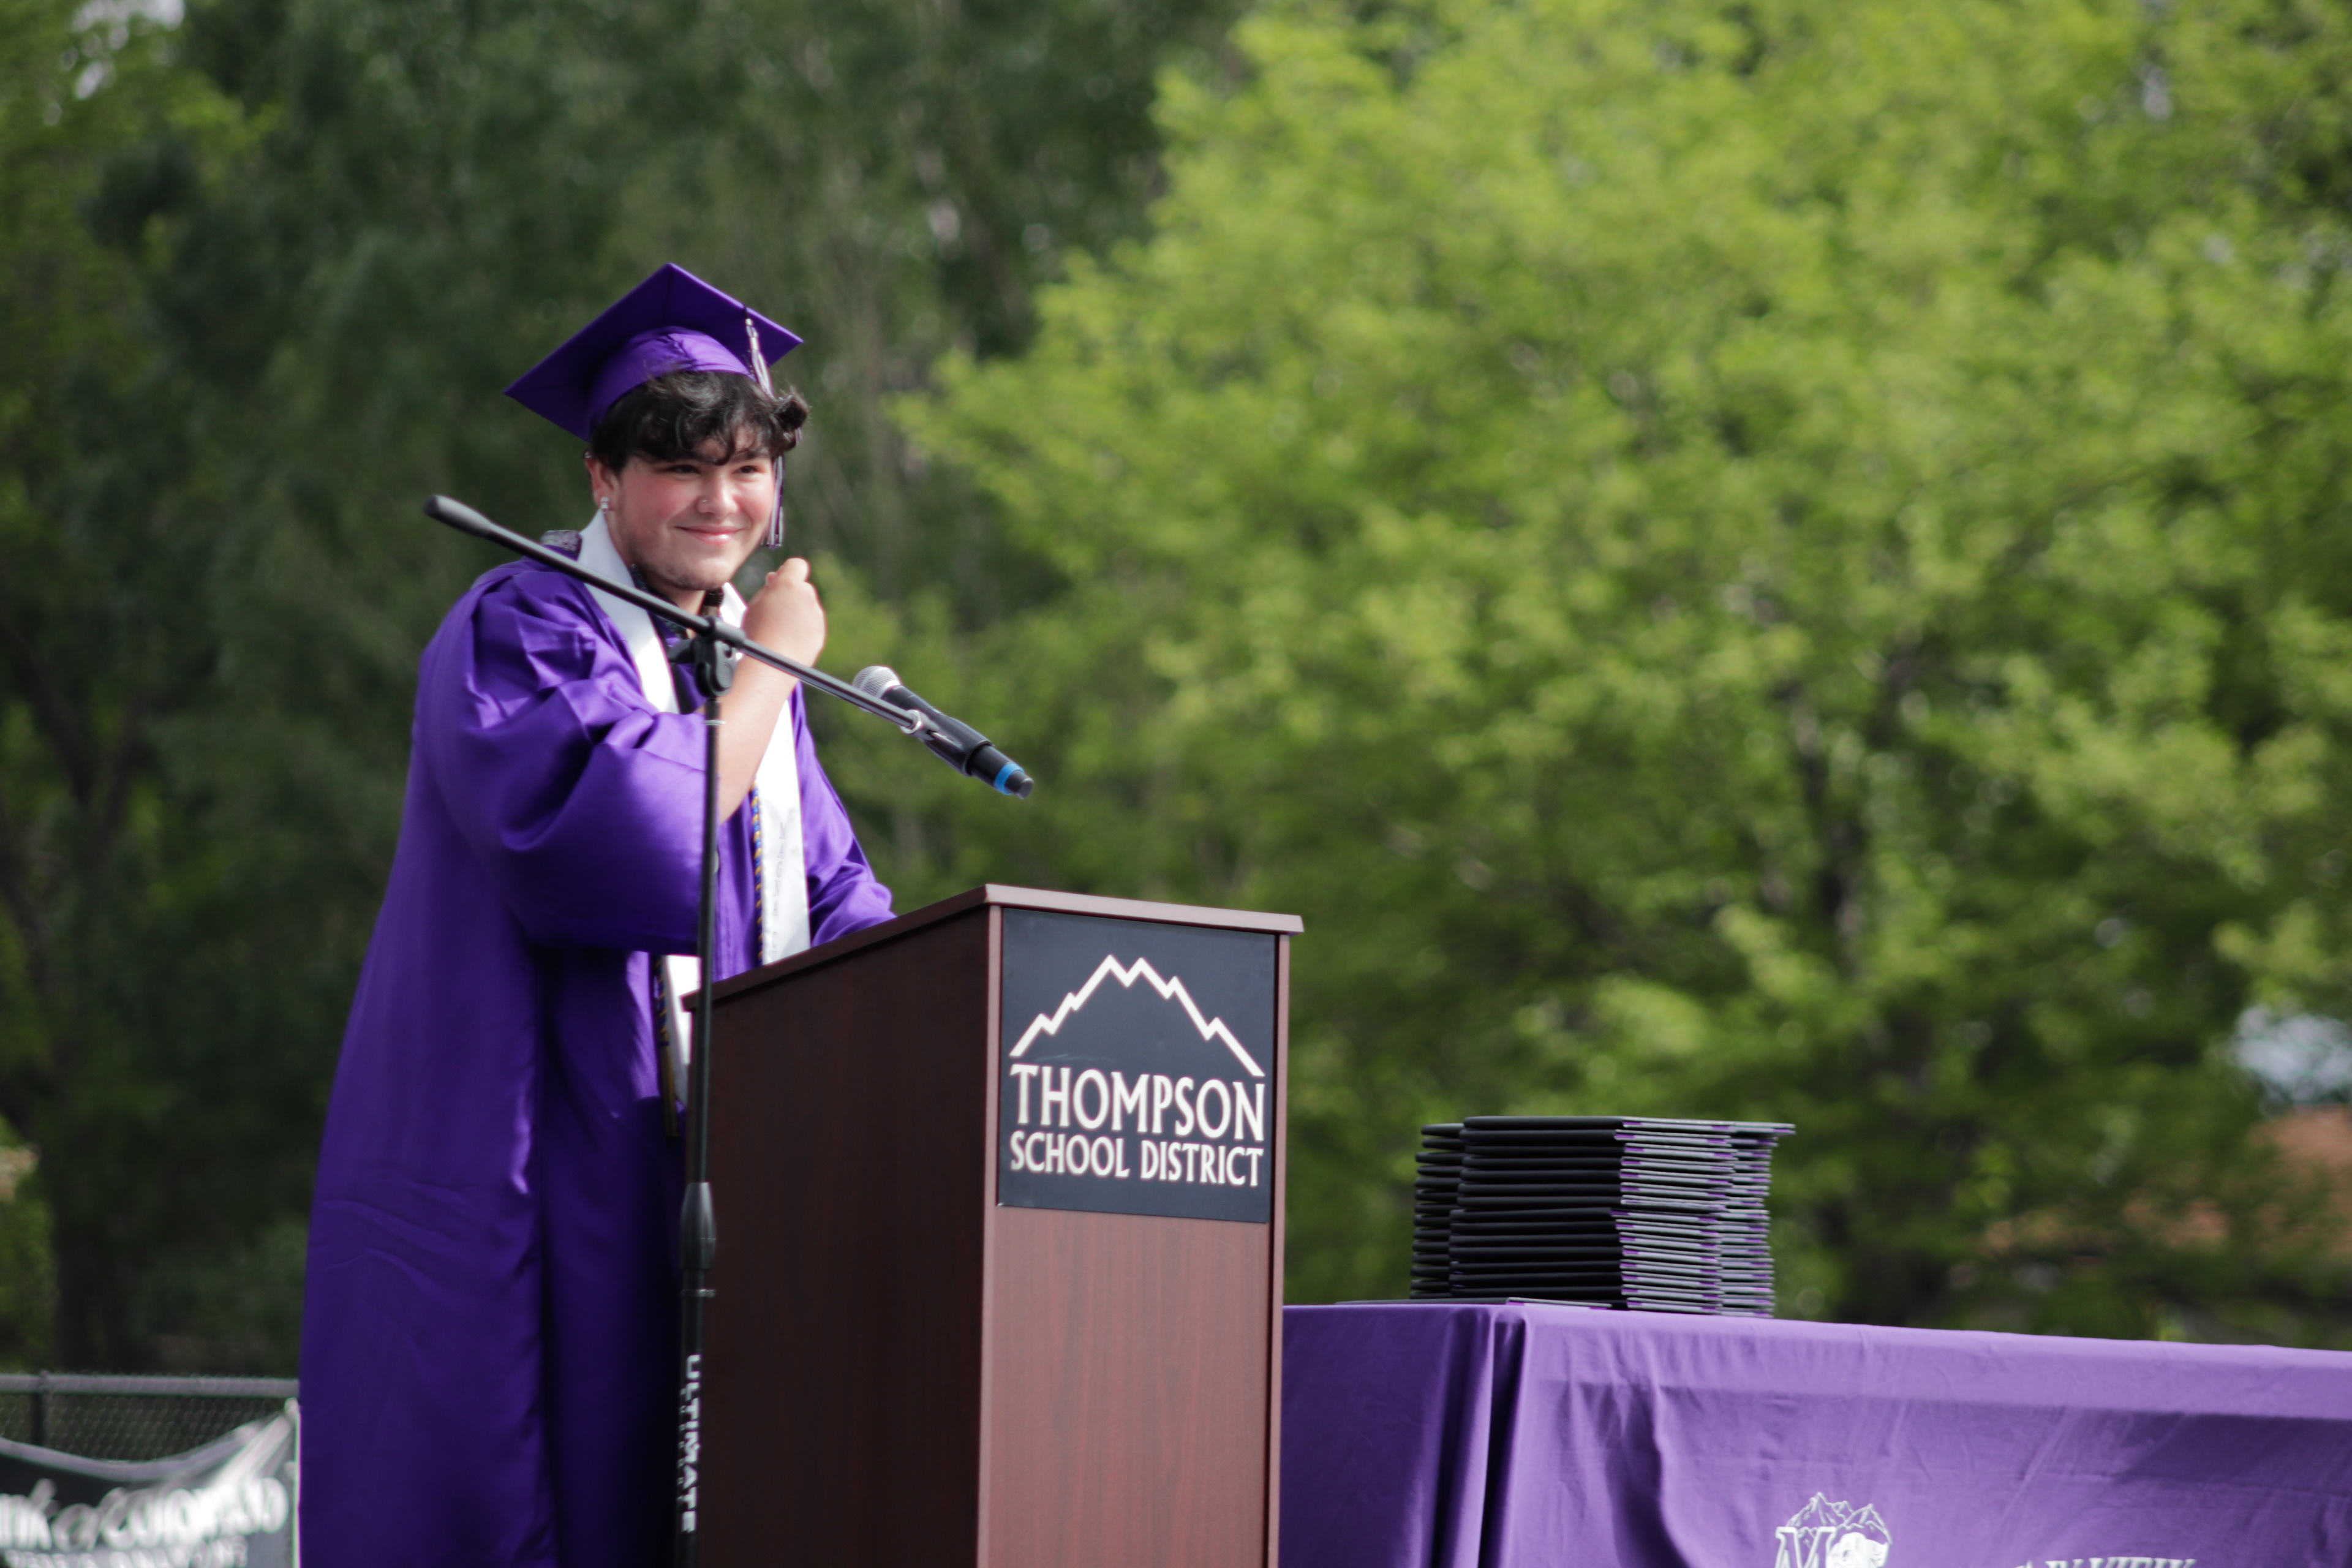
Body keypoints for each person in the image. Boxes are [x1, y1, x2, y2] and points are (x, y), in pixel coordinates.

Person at [300, 264, 895, 1565]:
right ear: (601, 479)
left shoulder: (733, 667)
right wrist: (777, 677)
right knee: (558, 1489)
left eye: (745, 471)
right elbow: (626, 844)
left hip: (724, 1162)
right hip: (547, 1147)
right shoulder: (522, 627)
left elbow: (841, 909)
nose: (718, 501)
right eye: (679, 467)